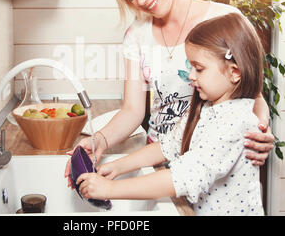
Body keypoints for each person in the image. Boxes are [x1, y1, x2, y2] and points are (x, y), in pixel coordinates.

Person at [65, 0, 274, 184]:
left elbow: (254, 96)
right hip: (159, 160)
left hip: (214, 160)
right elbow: (132, 110)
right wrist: (97, 140)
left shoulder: (227, 19)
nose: (140, 0)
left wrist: (260, 130)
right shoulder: (136, 36)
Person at [76, 13, 265, 215]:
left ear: (234, 72)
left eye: (199, 69)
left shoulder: (233, 123)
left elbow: (182, 177)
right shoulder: (207, 108)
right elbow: (169, 146)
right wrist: (118, 166)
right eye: (191, 67)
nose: (191, 76)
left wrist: (111, 189)